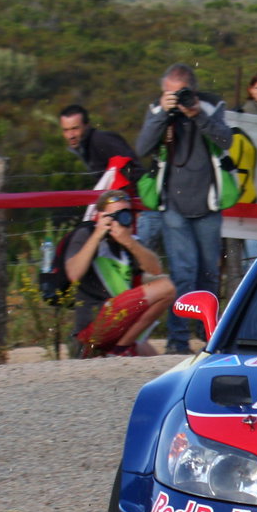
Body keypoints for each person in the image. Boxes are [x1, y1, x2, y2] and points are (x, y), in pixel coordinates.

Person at [133, 64, 234, 356]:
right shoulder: (158, 109)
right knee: (182, 274)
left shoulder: (211, 104)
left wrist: (196, 114)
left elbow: (226, 140)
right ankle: (177, 341)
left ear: (192, 88)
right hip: (173, 205)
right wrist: (161, 115)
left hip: (208, 203)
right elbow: (142, 147)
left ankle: (209, 337)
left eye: (180, 93)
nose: (176, 98)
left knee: (208, 275)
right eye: (169, 93)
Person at [63, 189, 175, 357]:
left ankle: (121, 348)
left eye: (126, 213)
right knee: (168, 286)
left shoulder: (129, 241)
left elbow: (155, 269)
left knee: (152, 360)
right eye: (115, 215)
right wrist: (97, 235)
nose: (122, 219)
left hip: (121, 320)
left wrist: (129, 242)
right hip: (94, 324)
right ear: (101, 216)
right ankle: (120, 350)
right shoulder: (86, 234)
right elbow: (73, 274)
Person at [57, 103, 160, 251]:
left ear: (87, 125)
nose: (70, 135)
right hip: (134, 214)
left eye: (75, 128)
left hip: (142, 212)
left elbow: (132, 168)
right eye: (66, 130)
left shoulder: (101, 140)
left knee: (138, 262)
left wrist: (134, 206)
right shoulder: (86, 146)